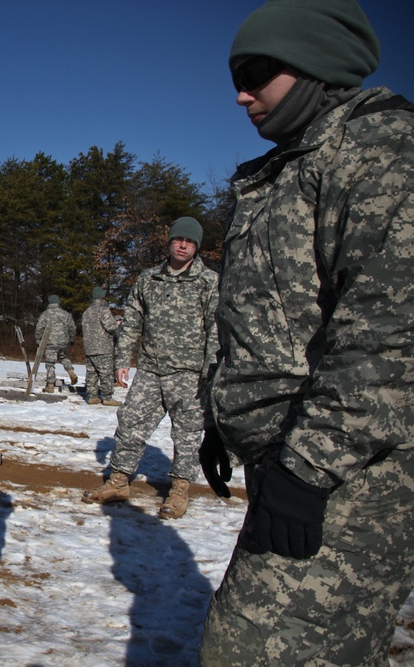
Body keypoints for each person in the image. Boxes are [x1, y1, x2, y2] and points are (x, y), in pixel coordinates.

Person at [198, 1, 414, 664]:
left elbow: (390, 329)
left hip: (349, 472)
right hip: (288, 460)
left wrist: (310, 466)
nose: (241, 93)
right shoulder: (289, 168)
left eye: (258, 72)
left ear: (317, 65)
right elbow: (261, 319)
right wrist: (223, 415)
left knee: (245, 652)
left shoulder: (377, 147)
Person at [82, 217, 218, 520]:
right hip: (151, 370)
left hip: (189, 374)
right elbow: (132, 323)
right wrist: (122, 361)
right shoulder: (148, 279)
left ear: (196, 247)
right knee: (130, 424)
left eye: (190, 242)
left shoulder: (208, 282)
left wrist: (210, 371)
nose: (183, 245)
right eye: (178, 239)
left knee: (187, 436)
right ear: (169, 242)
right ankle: (118, 481)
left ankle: (179, 490)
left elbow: (215, 329)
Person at [80, 286, 121, 406]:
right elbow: (111, 327)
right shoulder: (104, 310)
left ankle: (92, 396)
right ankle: (107, 397)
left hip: (89, 348)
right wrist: (117, 324)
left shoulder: (86, 312)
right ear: (102, 296)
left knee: (91, 373)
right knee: (106, 373)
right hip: (103, 347)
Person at [34, 294, 78, 393]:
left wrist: (38, 340)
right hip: (63, 342)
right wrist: (71, 339)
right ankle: (71, 372)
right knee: (63, 357)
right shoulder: (66, 314)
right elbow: (72, 328)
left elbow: (39, 328)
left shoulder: (45, 314)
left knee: (50, 363)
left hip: (49, 342)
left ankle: (50, 386)